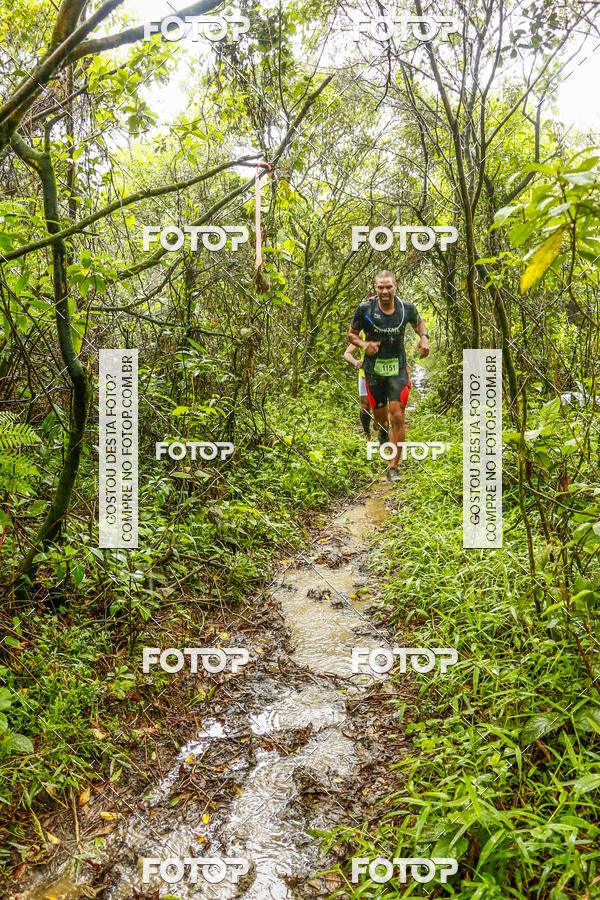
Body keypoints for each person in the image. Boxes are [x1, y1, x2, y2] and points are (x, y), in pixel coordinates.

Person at [348, 270, 430, 481]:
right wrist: (364, 344)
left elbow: (419, 323)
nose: (385, 291)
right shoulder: (365, 309)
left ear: (396, 286)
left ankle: (393, 467)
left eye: (388, 287)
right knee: (381, 417)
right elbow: (351, 334)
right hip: (373, 372)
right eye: (380, 287)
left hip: (398, 370)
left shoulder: (406, 309)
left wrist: (424, 338)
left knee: (398, 415)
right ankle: (381, 428)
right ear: (375, 288)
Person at [343, 331, 373, 439]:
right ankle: (367, 434)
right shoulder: (362, 334)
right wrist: (356, 362)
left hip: (381, 375)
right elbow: (347, 353)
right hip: (364, 375)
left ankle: (385, 434)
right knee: (365, 406)